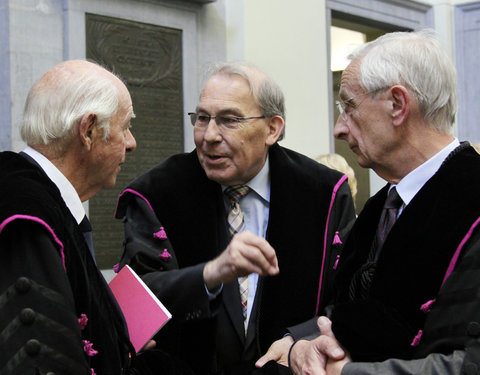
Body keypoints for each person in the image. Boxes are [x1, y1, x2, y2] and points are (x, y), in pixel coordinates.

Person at [260, 29, 480, 375]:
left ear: (397, 104)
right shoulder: (381, 209)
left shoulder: (472, 203)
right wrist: (300, 341)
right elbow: (358, 310)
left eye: (348, 106)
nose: (338, 129)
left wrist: (344, 373)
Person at [114, 61, 356, 375]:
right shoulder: (157, 193)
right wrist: (209, 274)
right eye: (202, 118)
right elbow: (130, 305)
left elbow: (351, 295)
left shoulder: (323, 194)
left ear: (272, 128)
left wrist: (299, 339)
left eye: (229, 120)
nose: (209, 135)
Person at [0, 60, 170, 375]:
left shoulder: (46, 201)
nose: (132, 143)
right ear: (89, 130)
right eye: (125, 127)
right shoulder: (25, 219)